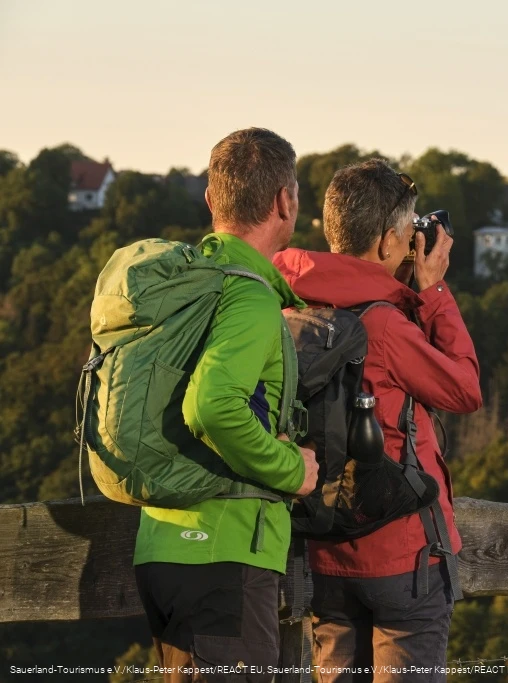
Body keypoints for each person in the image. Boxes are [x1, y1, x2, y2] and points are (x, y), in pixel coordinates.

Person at [273, 159, 482, 682]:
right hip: (402, 556)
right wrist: (432, 293)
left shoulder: (289, 307)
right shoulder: (385, 325)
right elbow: (464, 389)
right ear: (389, 242)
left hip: (324, 549)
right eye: (408, 233)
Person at [133, 127, 319, 682]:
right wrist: (292, 470)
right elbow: (213, 406)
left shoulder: (187, 284)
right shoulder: (249, 297)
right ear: (284, 202)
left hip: (162, 545)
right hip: (223, 556)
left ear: (212, 200)